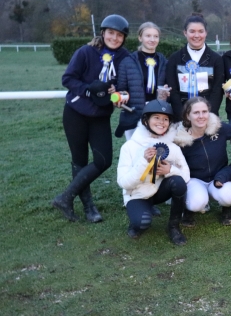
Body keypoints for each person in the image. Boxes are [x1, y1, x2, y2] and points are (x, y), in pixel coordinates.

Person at [53, 14, 130, 223]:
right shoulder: (86, 52)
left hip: (100, 117)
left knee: (103, 160)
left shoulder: (124, 57)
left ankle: (65, 197)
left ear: (124, 38)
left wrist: (117, 93)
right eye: (111, 33)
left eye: (119, 35)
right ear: (103, 32)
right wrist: (88, 91)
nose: (114, 38)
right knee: (79, 160)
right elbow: (67, 78)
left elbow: (123, 87)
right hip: (75, 113)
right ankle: (88, 207)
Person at [117, 100, 189, 245]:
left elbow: (186, 175)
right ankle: (137, 218)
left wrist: (170, 170)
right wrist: (144, 161)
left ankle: (174, 226)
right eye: (156, 117)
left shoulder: (171, 147)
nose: (161, 122)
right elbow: (123, 183)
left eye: (165, 119)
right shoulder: (129, 146)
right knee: (142, 223)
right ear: (146, 120)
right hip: (137, 194)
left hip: (158, 192)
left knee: (179, 182)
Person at [173, 97, 231, 226]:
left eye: (204, 111)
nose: (201, 116)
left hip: (218, 177)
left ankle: (226, 208)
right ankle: (189, 210)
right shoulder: (178, 138)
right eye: (196, 113)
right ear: (187, 116)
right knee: (196, 203)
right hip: (194, 179)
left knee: (229, 197)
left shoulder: (220, 128)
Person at [116, 22, 169, 139]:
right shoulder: (127, 62)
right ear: (140, 37)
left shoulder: (165, 62)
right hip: (134, 115)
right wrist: (120, 97)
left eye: (156, 36)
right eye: (148, 35)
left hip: (157, 114)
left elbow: (169, 86)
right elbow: (121, 88)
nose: (152, 39)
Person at [166, 14, 224, 121]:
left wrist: (207, 116)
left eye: (201, 31)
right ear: (185, 33)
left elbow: (217, 91)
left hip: (207, 116)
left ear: (206, 33)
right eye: (192, 31)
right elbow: (173, 91)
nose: (196, 35)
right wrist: (182, 117)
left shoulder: (216, 59)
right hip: (181, 116)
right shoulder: (174, 58)